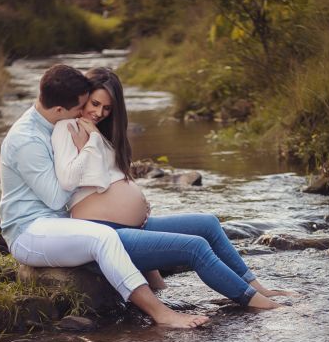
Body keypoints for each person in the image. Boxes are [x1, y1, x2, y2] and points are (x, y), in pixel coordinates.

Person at [51, 67, 289, 309]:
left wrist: (137, 204)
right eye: (94, 103)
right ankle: (261, 304)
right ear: (82, 96)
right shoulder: (68, 129)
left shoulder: (97, 131)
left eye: (107, 108)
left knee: (207, 223)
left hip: (129, 227)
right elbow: (76, 181)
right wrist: (91, 141)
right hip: (103, 235)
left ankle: (257, 287)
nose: (99, 112)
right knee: (195, 247)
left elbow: (111, 179)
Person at [0, 63, 209, 329]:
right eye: (80, 108)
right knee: (105, 237)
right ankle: (161, 313)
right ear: (60, 110)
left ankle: (159, 289)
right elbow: (55, 198)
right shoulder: (27, 139)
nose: (85, 114)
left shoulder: (55, 123)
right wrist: (89, 150)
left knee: (123, 230)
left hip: (59, 223)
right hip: (29, 231)